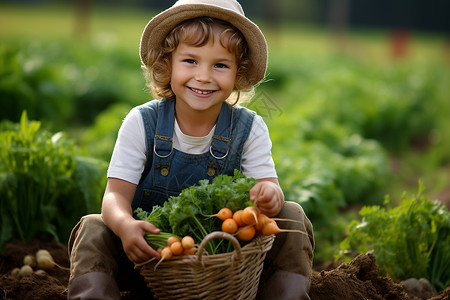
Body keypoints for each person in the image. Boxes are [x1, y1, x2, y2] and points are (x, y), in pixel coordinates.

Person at [67, 0, 314, 299]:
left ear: (238, 73)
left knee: (292, 216)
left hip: (227, 266)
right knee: (93, 228)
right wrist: (126, 226)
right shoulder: (141, 123)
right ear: (166, 63)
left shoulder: (250, 128)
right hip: (149, 261)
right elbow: (116, 195)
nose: (204, 76)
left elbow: (268, 187)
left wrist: (269, 195)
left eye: (220, 65)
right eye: (190, 61)